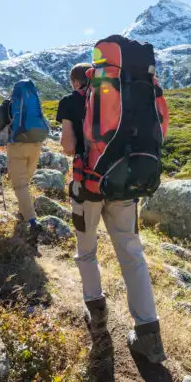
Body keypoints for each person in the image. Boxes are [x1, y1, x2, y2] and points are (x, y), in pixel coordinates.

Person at [58, 55, 167, 364]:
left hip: (88, 187)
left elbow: (67, 146)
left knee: (87, 251)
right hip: (125, 186)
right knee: (132, 254)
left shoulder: (70, 100)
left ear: (77, 81)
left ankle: (98, 317)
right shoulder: (124, 97)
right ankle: (149, 334)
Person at [0, 79, 48, 239]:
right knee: (26, 181)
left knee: (20, 185)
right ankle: (23, 211)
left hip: (17, 146)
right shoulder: (35, 101)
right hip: (36, 145)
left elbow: (2, 122)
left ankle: (32, 221)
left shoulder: (9, 104)